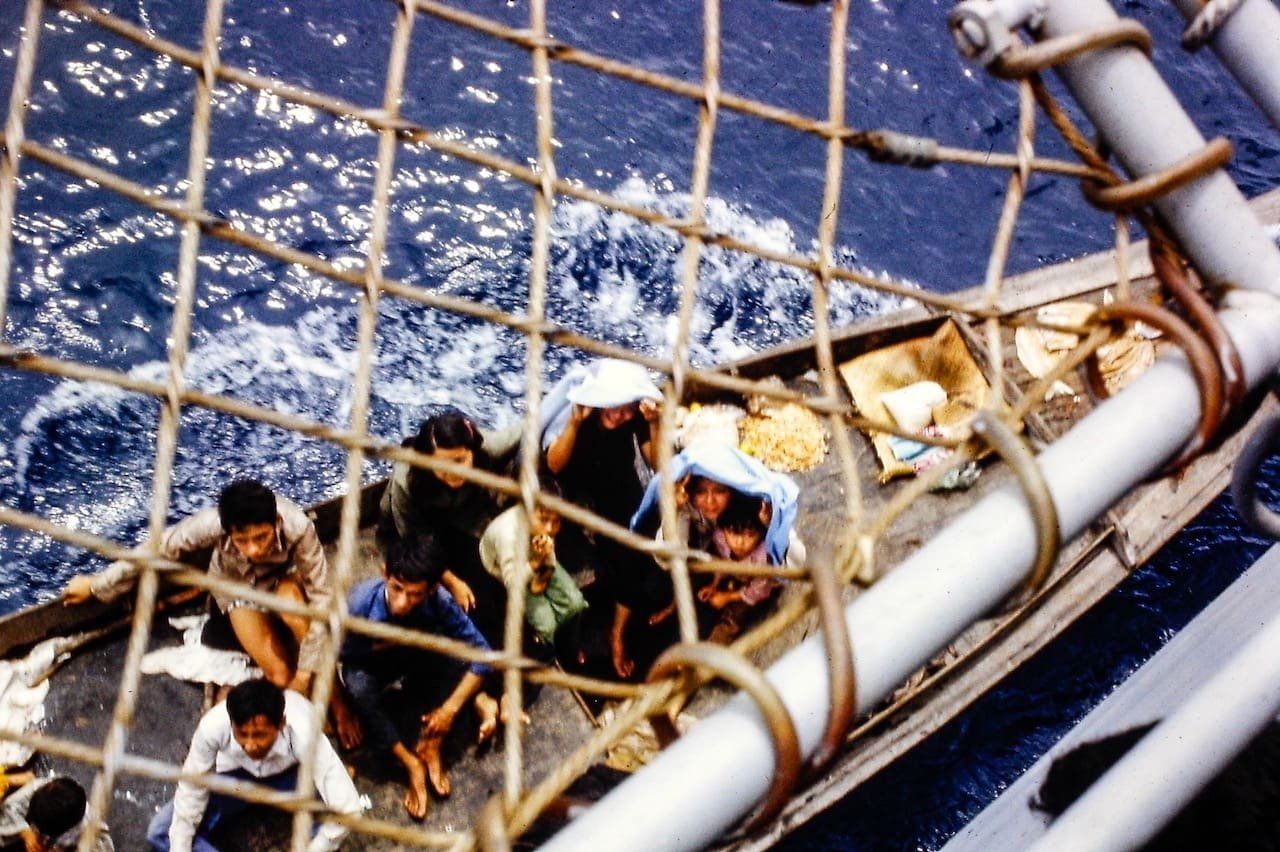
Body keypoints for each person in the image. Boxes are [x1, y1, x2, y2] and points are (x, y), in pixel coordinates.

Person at [62, 480, 331, 695]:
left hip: (282, 579)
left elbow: (321, 597)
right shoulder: (210, 525)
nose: (254, 550)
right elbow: (158, 549)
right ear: (227, 533)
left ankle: (338, 700)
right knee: (280, 676)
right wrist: (97, 585)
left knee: (298, 615)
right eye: (242, 540)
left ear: (277, 523)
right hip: (236, 586)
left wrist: (305, 675)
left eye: (261, 537)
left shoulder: (299, 527)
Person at [338, 534, 498, 819]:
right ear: (384, 574)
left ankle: (432, 742)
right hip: (373, 661)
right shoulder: (357, 606)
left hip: (419, 654)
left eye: (414, 594)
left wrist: (448, 711)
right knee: (358, 686)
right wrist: (394, 641)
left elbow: (482, 654)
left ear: (432, 589)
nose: (402, 603)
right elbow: (344, 654)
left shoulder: (441, 601)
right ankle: (410, 762)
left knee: (464, 660)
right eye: (397, 588)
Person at [540, 358, 664, 679]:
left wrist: (654, 424)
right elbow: (554, 464)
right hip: (566, 483)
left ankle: (617, 633)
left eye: (627, 410)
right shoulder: (579, 408)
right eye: (614, 407)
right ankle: (565, 634)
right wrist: (576, 423)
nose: (621, 416)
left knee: (634, 548)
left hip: (612, 479)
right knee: (550, 555)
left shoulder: (635, 414)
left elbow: (658, 464)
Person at [146, 678, 361, 852]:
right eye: (242, 734)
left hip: (292, 776)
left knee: (339, 807)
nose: (250, 745)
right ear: (232, 724)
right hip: (236, 777)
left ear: (282, 723)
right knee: (162, 832)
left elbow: (349, 810)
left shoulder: (303, 732)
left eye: (259, 735)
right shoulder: (212, 726)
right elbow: (192, 788)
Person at [631, 439, 806, 639]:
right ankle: (676, 605)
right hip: (717, 561)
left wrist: (771, 526)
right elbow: (666, 559)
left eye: (720, 491)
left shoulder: (753, 505)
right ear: (690, 492)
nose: (710, 502)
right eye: (701, 492)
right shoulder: (685, 502)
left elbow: (795, 562)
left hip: (753, 575)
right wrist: (674, 510)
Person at [378, 411, 521, 643]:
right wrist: (452, 582)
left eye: (459, 461)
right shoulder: (407, 481)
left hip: (464, 520)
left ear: (472, 451)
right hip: (413, 536)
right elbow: (414, 542)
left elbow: (527, 428)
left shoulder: (487, 448)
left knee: (496, 585)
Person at [479, 485, 588, 658]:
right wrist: (536, 563)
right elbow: (512, 583)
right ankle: (552, 653)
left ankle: (571, 645)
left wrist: (547, 567)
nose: (550, 529)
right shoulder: (507, 535)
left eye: (557, 521)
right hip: (509, 570)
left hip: (537, 556)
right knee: (547, 623)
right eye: (544, 520)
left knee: (575, 603)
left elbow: (549, 546)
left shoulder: (545, 528)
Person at [697, 493, 785, 643]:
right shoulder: (720, 537)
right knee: (705, 601)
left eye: (749, 535)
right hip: (737, 574)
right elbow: (722, 562)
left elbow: (758, 590)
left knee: (733, 616)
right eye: (732, 533)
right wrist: (714, 584)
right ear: (724, 530)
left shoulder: (763, 557)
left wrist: (727, 597)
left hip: (758, 587)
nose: (739, 542)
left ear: (761, 534)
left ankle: (708, 655)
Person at [0, 775, 113, 852]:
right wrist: (25, 832)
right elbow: (11, 807)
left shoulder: (90, 824)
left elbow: (103, 847)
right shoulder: (39, 788)